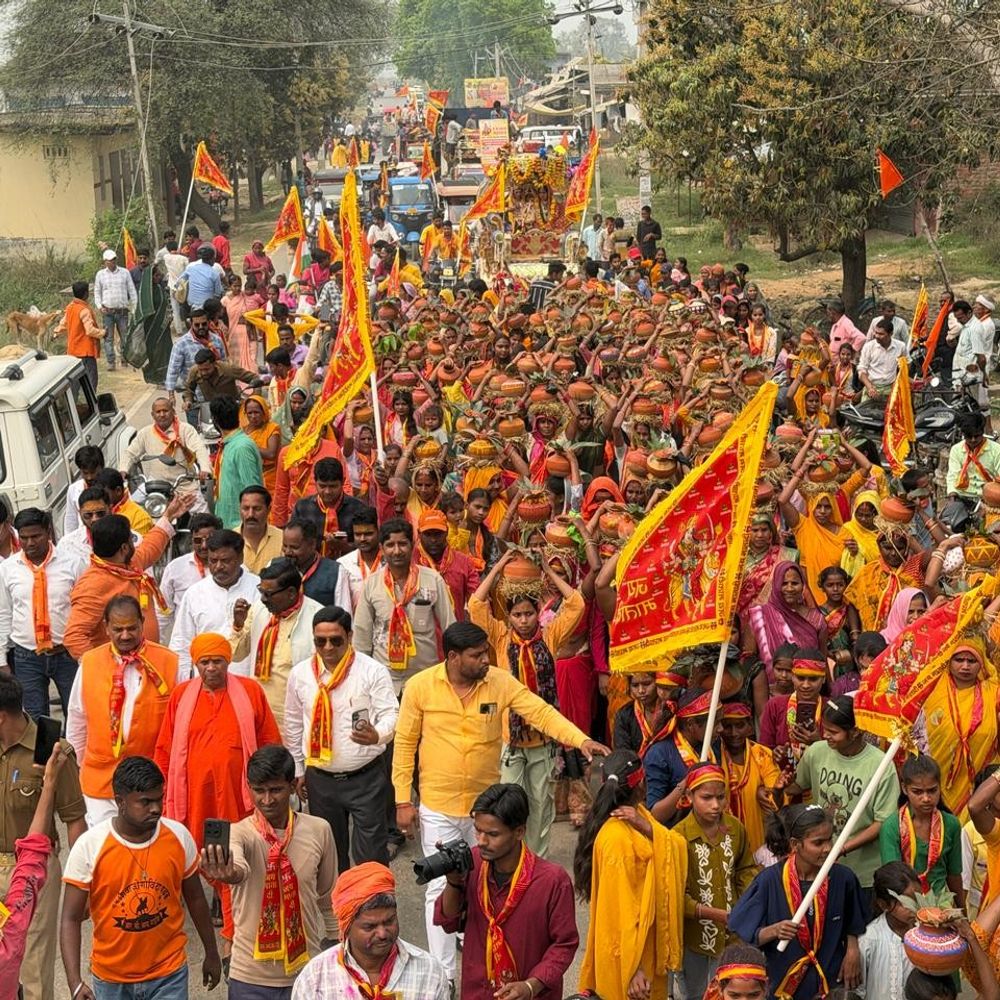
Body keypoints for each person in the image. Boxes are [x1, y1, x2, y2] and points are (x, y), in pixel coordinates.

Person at [392, 621, 607, 982]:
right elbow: (404, 744)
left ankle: (480, 944)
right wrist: (402, 799)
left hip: (485, 811)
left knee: (482, 879)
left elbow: (539, 711)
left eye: (486, 653)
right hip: (438, 805)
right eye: (477, 656)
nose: (485, 661)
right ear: (453, 656)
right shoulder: (419, 687)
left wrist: (580, 740)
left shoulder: (498, 681)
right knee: (440, 884)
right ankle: (444, 975)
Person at [154, 633, 279, 961]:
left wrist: (273, 788)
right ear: (195, 664)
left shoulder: (250, 691)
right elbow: (165, 747)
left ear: (228, 661)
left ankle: (231, 937)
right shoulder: (182, 696)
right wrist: (160, 790)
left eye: (217, 661)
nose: (211, 668)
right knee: (197, 858)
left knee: (233, 858)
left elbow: (267, 740)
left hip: (238, 799)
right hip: (193, 798)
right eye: (204, 662)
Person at [61, 755, 221, 999]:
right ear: (120, 802)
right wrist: (74, 983)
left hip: (170, 974)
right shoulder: (90, 847)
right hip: (111, 979)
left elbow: (197, 899)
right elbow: (70, 919)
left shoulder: (178, 837)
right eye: (145, 802)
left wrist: (212, 952)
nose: (156, 808)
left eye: (159, 799)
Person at [468, 549, 585, 854]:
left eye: (529, 614)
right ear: (509, 616)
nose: (523, 620)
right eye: (517, 615)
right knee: (509, 800)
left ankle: (536, 862)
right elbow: (475, 604)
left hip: (543, 739)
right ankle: (511, 857)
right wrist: (499, 567)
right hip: (510, 738)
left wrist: (547, 569)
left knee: (540, 805)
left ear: (538, 614)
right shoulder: (500, 637)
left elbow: (576, 603)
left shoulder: (551, 636)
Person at [198, 745, 338, 998]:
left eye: (275, 790)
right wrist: (230, 874)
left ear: (293, 785)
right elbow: (239, 868)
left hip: (307, 972)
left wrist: (336, 943)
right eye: (258, 791)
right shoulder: (240, 833)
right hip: (249, 976)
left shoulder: (320, 830)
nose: (267, 800)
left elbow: (328, 895)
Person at [434, 783, 579, 1000]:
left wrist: (531, 986)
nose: (481, 841)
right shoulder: (472, 861)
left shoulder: (553, 881)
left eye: (492, 834)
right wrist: (453, 883)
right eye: (478, 830)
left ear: (519, 832)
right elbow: (448, 923)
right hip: (478, 992)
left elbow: (564, 944)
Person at [284, 606, 398, 869]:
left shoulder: (372, 671)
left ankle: (373, 908)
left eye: (335, 640)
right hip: (320, 779)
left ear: (349, 636)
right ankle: (342, 910)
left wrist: (377, 735)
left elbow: (391, 713)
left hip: (366, 778)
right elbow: (292, 724)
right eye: (319, 641)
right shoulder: (300, 674)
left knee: (371, 858)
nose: (327, 647)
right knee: (332, 858)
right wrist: (299, 769)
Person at [574, 749, 687, 1000]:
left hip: (644, 947)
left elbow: (676, 845)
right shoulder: (616, 838)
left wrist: (648, 828)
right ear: (641, 784)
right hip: (628, 957)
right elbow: (618, 911)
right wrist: (633, 968)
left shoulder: (639, 817)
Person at [0, 680, 85, 1000]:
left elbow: (74, 819)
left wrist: (79, 885)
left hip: (34, 872)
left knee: (33, 965)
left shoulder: (51, 748)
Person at [728, 804, 866, 999]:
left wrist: (852, 952)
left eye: (830, 840)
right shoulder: (770, 880)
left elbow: (854, 922)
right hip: (782, 982)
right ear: (795, 844)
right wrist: (774, 930)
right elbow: (747, 932)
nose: (827, 849)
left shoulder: (843, 878)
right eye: (818, 843)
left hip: (829, 977)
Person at [66, 595, 180, 826]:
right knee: (103, 846)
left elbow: (179, 726)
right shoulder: (89, 662)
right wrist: (78, 767)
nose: (125, 635)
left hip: (151, 779)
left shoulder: (170, 662)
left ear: (142, 623)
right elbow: (77, 719)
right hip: (100, 778)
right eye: (118, 629)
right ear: (106, 627)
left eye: (132, 628)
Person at [783, 695, 901, 910]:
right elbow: (795, 788)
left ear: (855, 731)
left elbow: (882, 823)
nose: (825, 735)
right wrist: (780, 781)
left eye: (833, 732)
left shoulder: (881, 765)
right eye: (824, 729)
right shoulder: (816, 752)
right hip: (820, 867)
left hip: (863, 875)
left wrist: (841, 848)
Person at [290, 861, 450, 1000]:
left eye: (389, 921)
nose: (382, 933)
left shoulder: (430, 973)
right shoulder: (315, 978)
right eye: (369, 927)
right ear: (346, 928)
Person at [63, 497, 193, 660]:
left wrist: (168, 516)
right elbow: (74, 637)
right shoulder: (92, 585)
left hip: (147, 661)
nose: (135, 543)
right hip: (119, 674)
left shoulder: (128, 565)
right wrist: (103, 667)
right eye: (131, 539)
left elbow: (150, 547)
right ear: (125, 548)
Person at [675, 762, 757, 1000]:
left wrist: (744, 905)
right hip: (696, 940)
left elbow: (745, 869)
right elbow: (677, 897)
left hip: (734, 934)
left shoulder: (734, 828)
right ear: (689, 796)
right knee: (700, 994)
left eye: (721, 797)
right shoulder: (679, 837)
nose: (715, 805)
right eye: (706, 797)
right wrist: (717, 915)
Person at [0, 507, 86, 719]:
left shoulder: (73, 564)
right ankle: (45, 754)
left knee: (77, 713)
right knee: (35, 718)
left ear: (48, 532)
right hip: (27, 656)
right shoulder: (8, 569)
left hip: (67, 654)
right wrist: (1, 659)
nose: (29, 543)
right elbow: (4, 614)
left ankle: (72, 752)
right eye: (24, 537)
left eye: (35, 536)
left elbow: (85, 611)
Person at [353, 518, 455, 694]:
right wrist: (361, 676)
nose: (397, 551)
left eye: (402, 544)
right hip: (384, 678)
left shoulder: (432, 579)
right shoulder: (372, 584)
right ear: (382, 548)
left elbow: (449, 626)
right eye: (390, 545)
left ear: (412, 544)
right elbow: (362, 633)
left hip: (425, 676)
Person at [230, 558, 323, 729]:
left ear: (291, 593)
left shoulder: (317, 617)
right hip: (259, 709)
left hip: (296, 714)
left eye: (269, 594)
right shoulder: (258, 610)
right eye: (261, 592)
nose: (263, 599)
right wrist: (238, 626)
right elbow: (235, 655)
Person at [169, 528, 260, 678]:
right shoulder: (195, 593)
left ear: (240, 558)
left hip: (247, 683)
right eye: (213, 561)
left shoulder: (258, 590)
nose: (218, 567)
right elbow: (181, 645)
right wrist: (184, 685)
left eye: (225, 561)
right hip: (205, 684)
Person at [924, 641, 998, 819]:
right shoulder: (932, 687)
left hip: (979, 778)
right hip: (932, 773)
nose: (965, 666)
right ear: (949, 661)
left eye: (971, 661)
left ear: (981, 663)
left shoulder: (994, 693)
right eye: (959, 659)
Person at [878, 754, 964, 900]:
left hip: (942, 905)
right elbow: (893, 879)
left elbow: (954, 874)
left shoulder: (951, 824)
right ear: (904, 788)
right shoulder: (891, 827)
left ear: (939, 787)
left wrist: (963, 911)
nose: (926, 799)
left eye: (932, 791)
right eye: (917, 792)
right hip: (905, 904)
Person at [121, 396, 211, 507]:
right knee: (131, 509)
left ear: (173, 411)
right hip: (155, 485)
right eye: (158, 412)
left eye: (165, 411)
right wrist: (123, 470)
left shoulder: (186, 429)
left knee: (201, 517)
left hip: (184, 484)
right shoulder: (145, 433)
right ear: (152, 415)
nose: (162, 414)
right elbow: (130, 453)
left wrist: (205, 468)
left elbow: (199, 449)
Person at [719, 701, 780, 856]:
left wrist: (764, 791)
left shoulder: (762, 754)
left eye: (740, 725)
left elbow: (775, 797)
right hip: (722, 839)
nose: (734, 733)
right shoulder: (713, 755)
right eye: (728, 726)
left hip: (757, 843)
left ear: (750, 727)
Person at [857, 861, 920, 1000]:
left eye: (917, 899)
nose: (914, 907)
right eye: (906, 902)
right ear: (884, 904)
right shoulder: (868, 940)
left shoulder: (925, 933)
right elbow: (859, 990)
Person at [415, 508, 479, 622]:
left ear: (447, 532)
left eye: (438, 534)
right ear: (419, 534)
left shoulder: (464, 562)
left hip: (455, 632)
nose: (433, 540)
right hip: (422, 633)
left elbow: (476, 600)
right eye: (428, 534)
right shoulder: (411, 562)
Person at [212, 396, 265, 529]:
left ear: (215, 421)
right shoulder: (230, 444)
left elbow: (253, 489)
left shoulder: (242, 447)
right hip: (227, 523)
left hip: (240, 526)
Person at [165, 309, 228, 417]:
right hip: (194, 397)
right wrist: (171, 395)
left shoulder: (217, 340)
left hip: (217, 395)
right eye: (197, 325)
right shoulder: (181, 344)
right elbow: (172, 370)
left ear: (209, 322)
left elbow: (224, 364)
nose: (200, 327)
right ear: (191, 324)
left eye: (203, 324)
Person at [158, 511, 222, 617]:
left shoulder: (230, 568)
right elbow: (163, 611)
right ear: (191, 540)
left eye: (209, 540)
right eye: (198, 540)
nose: (204, 546)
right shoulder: (175, 568)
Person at [281, 518, 353, 610]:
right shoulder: (275, 567)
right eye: (285, 546)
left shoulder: (335, 572)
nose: (287, 552)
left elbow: (344, 612)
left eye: (294, 547)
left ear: (312, 544)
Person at [93, 248, 136, 371]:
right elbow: (97, 292)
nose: (112, 262)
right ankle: (111, 361)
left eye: (113, 260)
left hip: (122, 310)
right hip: (108, 311)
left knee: (125, 336)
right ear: (105, 262)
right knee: (108, 337)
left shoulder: (125, 272)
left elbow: (131, 290)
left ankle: (124, 358)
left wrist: (134, 307)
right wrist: (100, 306)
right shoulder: (100, 275)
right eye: (109, 261)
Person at [946, 411, 1000, 501]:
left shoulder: (996, 450)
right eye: (969, 436)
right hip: (962, 495)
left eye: (977, 436)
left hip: (989, 497)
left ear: (982, 432)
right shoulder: (956, 450)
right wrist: (952, 498)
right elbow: (952, 476)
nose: (973, 440)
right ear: (963, 434)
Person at [57, 279, 102, 388]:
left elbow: (63, 323)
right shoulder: (84, 310)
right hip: (86, 351)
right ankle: (91, 403)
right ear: (86, 294)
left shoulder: (70, 307)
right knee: (91, 381)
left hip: (73, 351)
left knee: (76, 382)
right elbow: (90, 330)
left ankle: (76, 403)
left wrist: (56, 332)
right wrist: (102, 333)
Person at [337, 506, 382, 609]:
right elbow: (343, 604)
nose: (362, 539)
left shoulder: (390, 561)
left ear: (379, 532)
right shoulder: (343, 564)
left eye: (368, 534)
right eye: (358, 534)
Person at [94, 468, 154, 537]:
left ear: (118, 491)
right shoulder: (96, 513)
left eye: (104, 494)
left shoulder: (139, 517)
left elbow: (140, 547)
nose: (100, 498)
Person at [240, 485, 285, 573]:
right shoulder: (229, 540)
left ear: (269, 510)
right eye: (245, 508)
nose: (250, 515)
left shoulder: (283, 539)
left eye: (257, 509)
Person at [241, 395, 282, 493]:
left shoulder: (272, 428)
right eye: (250, 413)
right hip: (249, 476)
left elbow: (271, 454)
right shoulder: (242, 431)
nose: (253, 416)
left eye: (256, 412)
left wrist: (248, 445)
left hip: (270, 477)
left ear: (264, 412)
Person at [64, 445, 106, 536]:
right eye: (85, 473)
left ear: (101, 467)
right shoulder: (73, 490)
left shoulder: (110, 488)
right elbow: (71, 522)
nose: (89, 477)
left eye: (93, 472)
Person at [180, 244, 225, 310]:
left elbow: (180, 282)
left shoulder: (191, 268)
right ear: (212, 259)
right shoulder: (214, 273)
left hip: (191, 304)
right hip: (207, 306)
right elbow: (218, 293)